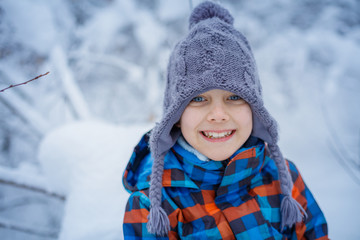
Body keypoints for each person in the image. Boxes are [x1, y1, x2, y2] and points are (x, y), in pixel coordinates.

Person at [122, 1, 328, 239]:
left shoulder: (284, 179)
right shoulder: (153, 204)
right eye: (198, 98)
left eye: (234, 97)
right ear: (175, 116)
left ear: (255, 109)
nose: (218, 114)